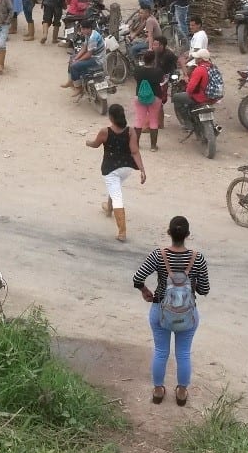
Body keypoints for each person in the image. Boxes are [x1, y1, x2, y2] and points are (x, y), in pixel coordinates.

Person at [132, 216, 209, 407]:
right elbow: (204, 290)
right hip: (187, 314)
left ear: (169, 233)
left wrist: (145, 291)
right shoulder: (197, 258)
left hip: (160, 310)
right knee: (183, 354)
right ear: (187, 235)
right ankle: (181, 393)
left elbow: (137, 277)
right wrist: (191, 282)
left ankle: (158, 391)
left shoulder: (159, 255)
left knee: (160, 351)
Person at [87, 103, 147, 241]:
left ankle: (122, 232)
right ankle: (109, 208)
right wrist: (142, 170)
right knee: (115, 187)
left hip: (110, 169)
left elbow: (95, 144)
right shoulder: (130, 131)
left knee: (117, 196)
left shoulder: (105, 131)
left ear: (111, 117)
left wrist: (88, 142)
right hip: (126, 168)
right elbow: (135, 151)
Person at [172, 48, 222, 128]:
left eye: (196, 58)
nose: (195, 59)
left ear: (200, 59)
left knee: (176, 97)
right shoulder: (213, 67)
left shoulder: (199, 70)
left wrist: (188, 87)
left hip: (201, 98)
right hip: (214, 98)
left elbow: (190, 89)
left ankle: (188, 123)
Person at [133, 50, 165, 151]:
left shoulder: (137, 70)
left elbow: (136, 79)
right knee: (154, 120)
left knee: (139, 120)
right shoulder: (158, 71)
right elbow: (162, 80)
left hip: (140, 97)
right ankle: (153, 146)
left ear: (143, 59)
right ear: (153, 60)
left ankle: (136, 144)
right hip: (155, 97)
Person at [63, 20, 105, 97]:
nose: (81, 31)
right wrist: (76, 58)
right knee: (72, 58)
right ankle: (71, 81)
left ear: (88, 29)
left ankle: (79, 88)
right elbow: (84, 48)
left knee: (74, 66)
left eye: (83, 29)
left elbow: (89, 54)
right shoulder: (89, 34)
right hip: (93, 56)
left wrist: (78, 60)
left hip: (97, 59)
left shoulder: (93, 38)